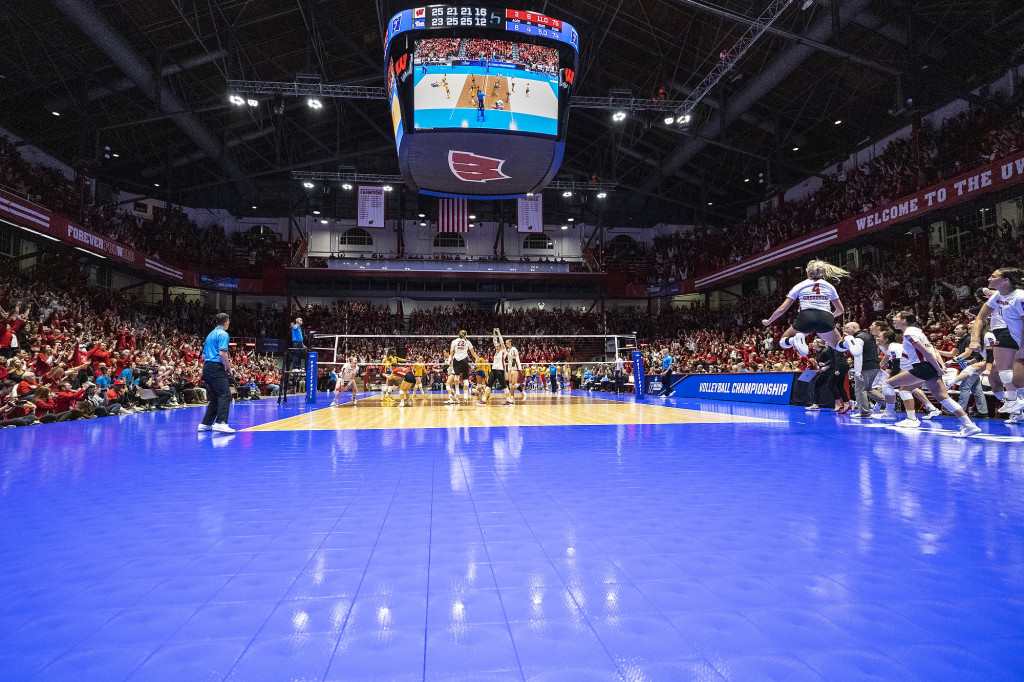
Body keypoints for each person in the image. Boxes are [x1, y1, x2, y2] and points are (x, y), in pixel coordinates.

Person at [886, 311, 981, 437]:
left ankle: (889, 413)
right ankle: (969, 425)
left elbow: (927, 352)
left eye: (897, 317)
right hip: (929, 367)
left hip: (923, 367)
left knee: (888, 384)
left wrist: (938, 368)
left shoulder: (909, 333)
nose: (894, 319)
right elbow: (932, 350)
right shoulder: (918, 332)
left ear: (904, 320)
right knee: (943, 398)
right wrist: (939, 365)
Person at [763, 259, 848, 356]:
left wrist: (769, 321)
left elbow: (782, 309)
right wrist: (830, 316)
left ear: (807, 272)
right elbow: (840, 310)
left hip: (806, 316)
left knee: (783, 341)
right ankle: (848, 342)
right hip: (825, 316)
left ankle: (794, 340)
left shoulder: (800, 285)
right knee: (838, 345)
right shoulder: (829, 286)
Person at [970, 268, 1024, 417]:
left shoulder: (1020, 297)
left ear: (1005, 280)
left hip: (1020, 340)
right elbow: (980, 318)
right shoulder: (997, 297)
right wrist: (974, 339)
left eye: (993, 276)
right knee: (1006, 371)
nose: (989, 279)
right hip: (1014, 338)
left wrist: (1022, 347)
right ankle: (1013, 403)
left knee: (1019, 381)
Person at [198, 312, 235, 433]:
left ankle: (206, 423)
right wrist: (228, 368)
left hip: (207, 367)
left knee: (214, 397)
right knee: (225, 395)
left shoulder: (210, 335)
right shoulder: (223, 334)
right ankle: (221, 422)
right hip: (216, 367)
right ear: (226, 322)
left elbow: (203, 355)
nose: (228, 324)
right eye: (228, 322)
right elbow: (222, 353)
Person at [842, 321, 884, 419]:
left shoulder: (858, 338)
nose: (845, 330)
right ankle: (890, 402)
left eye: (847, 328)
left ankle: (864, 413)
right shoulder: (868, 336)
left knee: (860, 390)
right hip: (874, 366)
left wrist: (857, 371)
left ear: (854, 327)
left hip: (865, 367)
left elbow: (858, 355)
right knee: (868, 389)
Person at [449, 330, 479, 404]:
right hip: (464, 359)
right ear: (465, 335)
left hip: (456, 359)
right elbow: (472, 353)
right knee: (465, 378)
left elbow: (451, 351)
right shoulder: (468, 342)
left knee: (456, 376)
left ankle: (457, 392)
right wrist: (477, 358)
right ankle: (465, 396)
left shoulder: (454, 341)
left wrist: (452, 358)